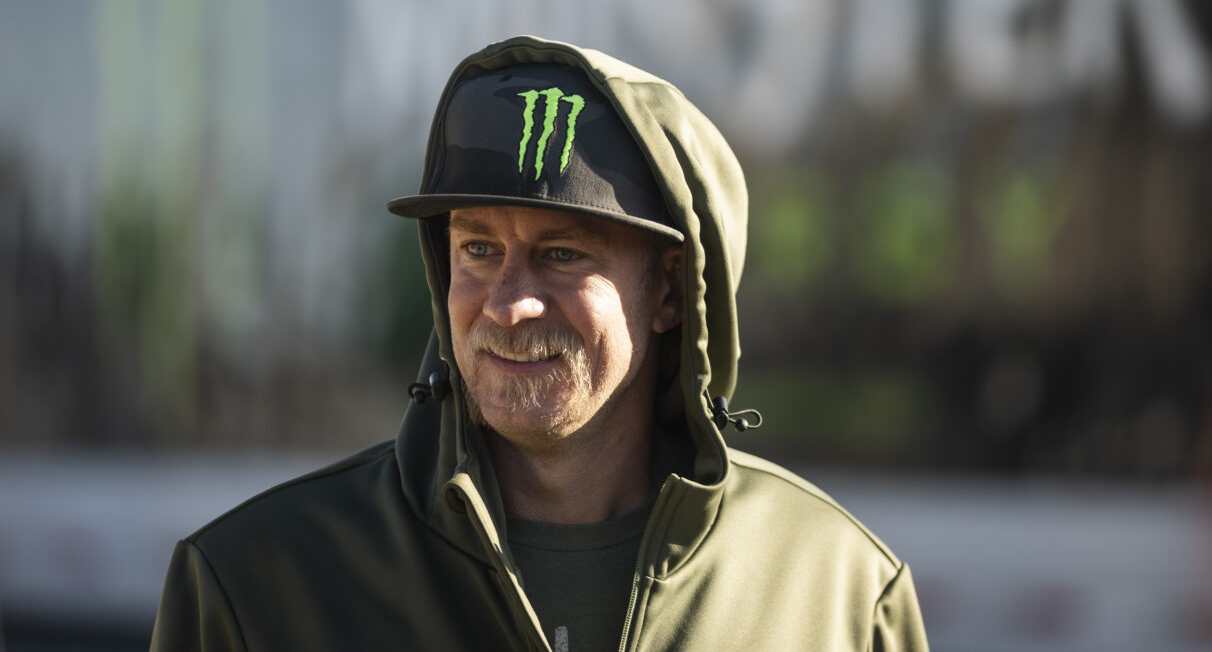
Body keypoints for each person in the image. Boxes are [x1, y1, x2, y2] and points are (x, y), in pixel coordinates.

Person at [150, 35, 929, 651]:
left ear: (668, 290)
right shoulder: (258, 588)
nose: (510, 302)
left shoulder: (840, 594)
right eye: (477, 248)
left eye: (563, 253)